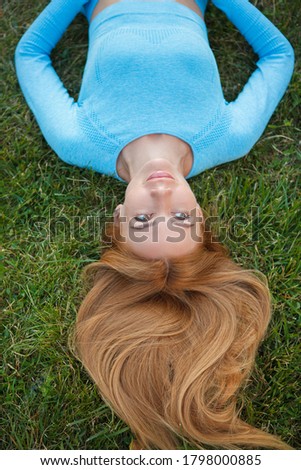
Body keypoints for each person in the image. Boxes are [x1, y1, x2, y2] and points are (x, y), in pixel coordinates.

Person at [15, 0, 294, 449]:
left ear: (119, 220)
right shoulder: (229, 137)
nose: (163, 194)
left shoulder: (79, 140)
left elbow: (29, 54)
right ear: (201, 217)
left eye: (144, 220)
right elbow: (279, 55)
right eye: (181, 218)